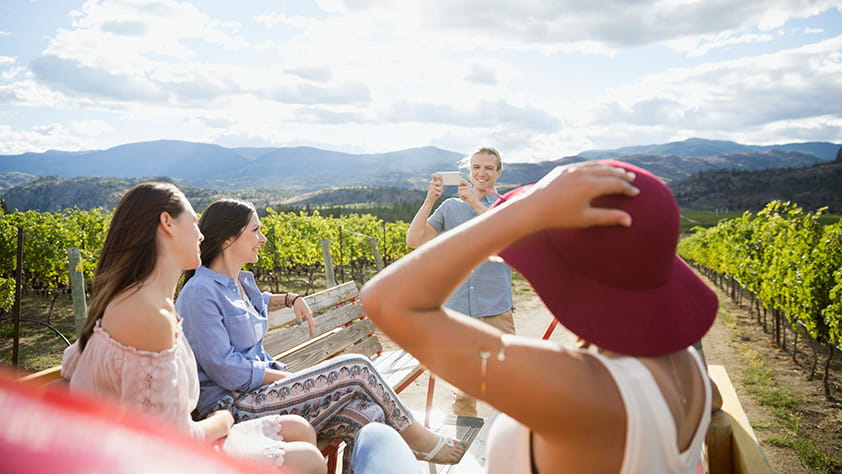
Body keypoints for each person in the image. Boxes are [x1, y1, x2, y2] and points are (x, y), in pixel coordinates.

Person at [361, 161, 723, 473]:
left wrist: (527, 211)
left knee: (374, 438)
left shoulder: (582, 389)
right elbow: (713, 401)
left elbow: (387, 300)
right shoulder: (686, 369)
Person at [175, 198, 466, 471]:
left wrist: (290, 298)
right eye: (256, 230)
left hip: (266, 396)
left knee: (367, 415)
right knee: (356, 367)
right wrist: (292, 379)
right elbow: (226, 370)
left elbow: (257, 302)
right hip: (235, 407)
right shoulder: (200, 292)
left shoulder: (240, 283)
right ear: (228, 238)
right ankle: (419, 439)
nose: (263, 239)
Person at [61, 182, 326, 474]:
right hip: (144, 459)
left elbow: (75, 369)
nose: (202, 235)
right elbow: (166, 441)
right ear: (167, 224)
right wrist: (223, 421)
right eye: (195, 223)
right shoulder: (150, 315)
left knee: (300, 429)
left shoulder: (137, 300)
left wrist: (287, 299)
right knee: (308, 459)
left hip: (140, 444)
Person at [405, 146, 514, 417]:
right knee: (465, 386)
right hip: (458, 310)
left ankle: (508, 437)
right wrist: (430, 199)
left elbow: (506, 243)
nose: (481, 173)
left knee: (509, 378)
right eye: (476, 167)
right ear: (468, 171)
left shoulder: (506, 206)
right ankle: (466, 441)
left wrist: (476, 205)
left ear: (499, 172)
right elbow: (414, 241)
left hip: (496, 307)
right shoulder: (450, 207)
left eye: (489, 168)